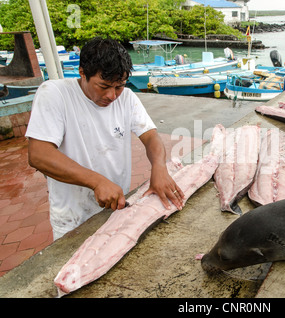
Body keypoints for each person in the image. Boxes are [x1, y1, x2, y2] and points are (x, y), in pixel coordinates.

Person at [26, 37, 185, 240]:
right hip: (74, 219)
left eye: (118, 86)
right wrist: (97, 182)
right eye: (103, 86)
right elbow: (39, 155)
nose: (112, 96)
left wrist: (159, 168)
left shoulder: (127, 98)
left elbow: (151, 136)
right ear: (82, 72)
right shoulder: (54, 94)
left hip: (116, 211)